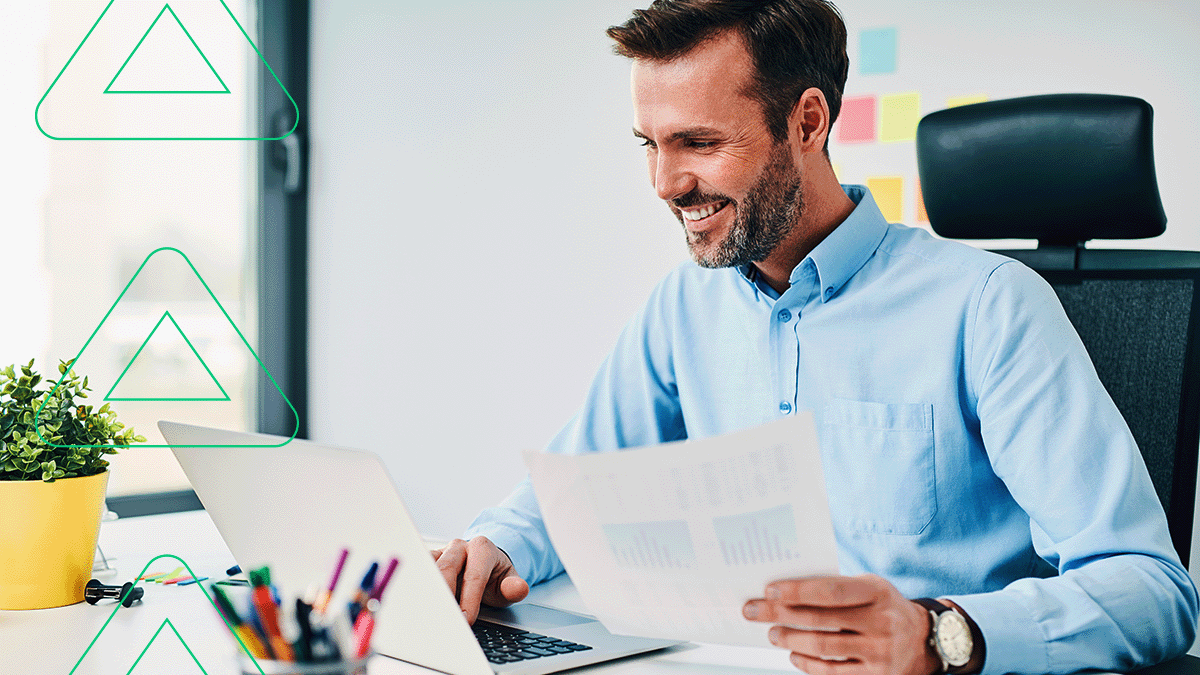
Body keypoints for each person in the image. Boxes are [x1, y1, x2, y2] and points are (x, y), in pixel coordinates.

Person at [432, 1, 1199, 673]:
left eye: (698, 142)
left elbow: (1152, 589)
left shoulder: (989, 309)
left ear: (807, 121)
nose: (665, 184)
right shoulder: (684, 308)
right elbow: (572, 490)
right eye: (650, 144)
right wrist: (495, 545)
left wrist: (938, 634)